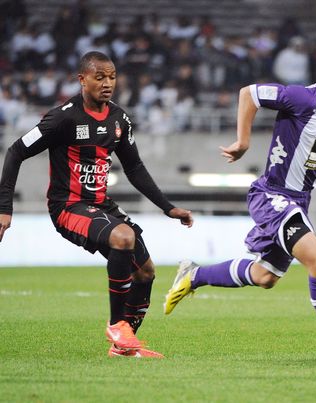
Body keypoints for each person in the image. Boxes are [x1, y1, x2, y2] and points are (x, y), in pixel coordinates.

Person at [163, 49, 316, 365]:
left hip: (299, 203)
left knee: (265, 276)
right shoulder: (303, 99)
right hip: (272, 195)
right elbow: (249, 94)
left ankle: (194, 275)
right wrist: (243, 141)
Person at [0, 51, 194, 358]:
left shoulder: (119, 119)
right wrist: (4, 209)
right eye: (99, 77)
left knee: (145, 272)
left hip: (102, 205)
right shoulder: (63, 117)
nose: (107, 83)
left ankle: (123, 348)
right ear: (82, 80)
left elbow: (134, 168)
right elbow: (15, 151)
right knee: (124, 237)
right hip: (68, 207)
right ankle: (117, 324)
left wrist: (167, 207)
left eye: (112, 77)